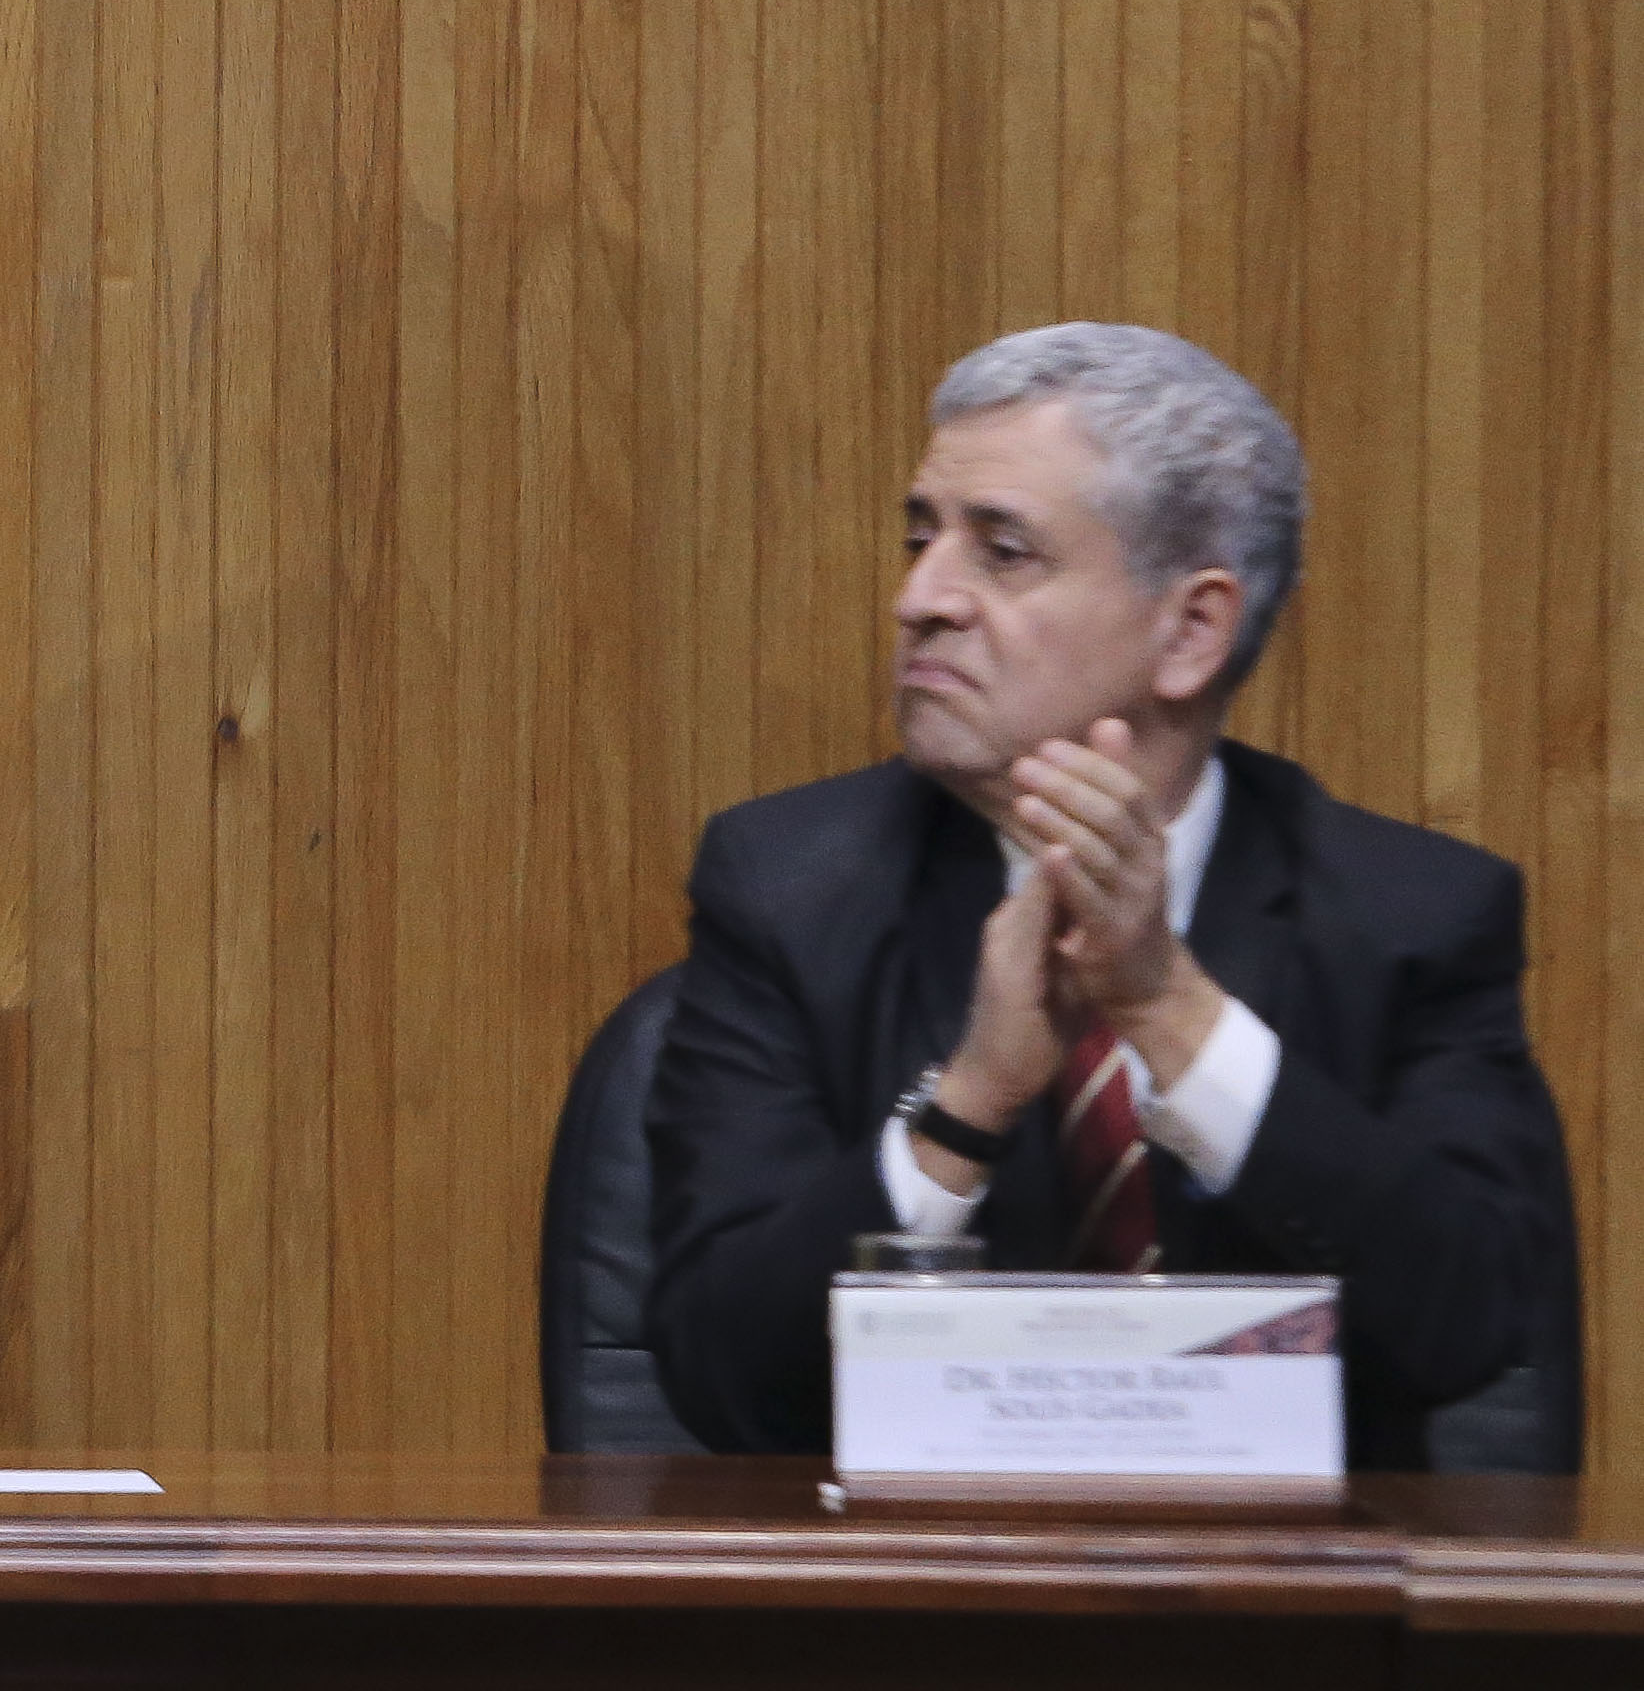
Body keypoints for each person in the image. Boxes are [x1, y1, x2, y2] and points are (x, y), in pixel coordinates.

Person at [646, 324, 1575, 1464]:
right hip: (909, 1570)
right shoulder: (790, 887)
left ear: (1190, 630)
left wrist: (1171, 1011)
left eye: (1003, 552)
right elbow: (719, 1371)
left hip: (1286, 1573)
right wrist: (972, 1101)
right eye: (921, 538)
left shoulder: (1411, 917)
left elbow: (1469, 1324)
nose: (920, 596)